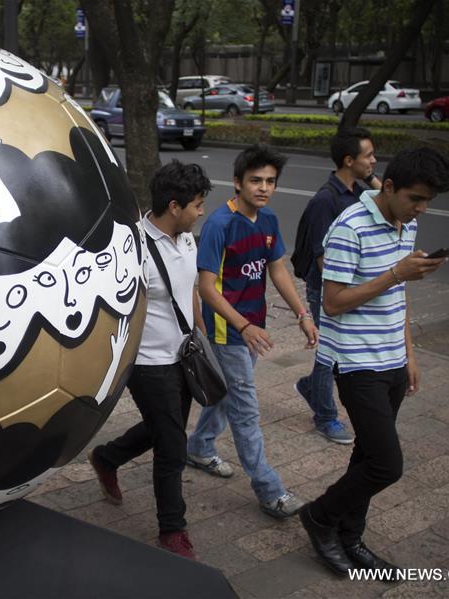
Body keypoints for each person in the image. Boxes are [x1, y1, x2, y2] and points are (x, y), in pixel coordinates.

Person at [299, 147, 449, 576]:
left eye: (428, 202)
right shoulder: (349, 227)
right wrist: (395, 273)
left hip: (391, 358)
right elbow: (332, 303)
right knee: (387, 465)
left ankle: (351, 537)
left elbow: (397, 296)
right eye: (416, 198)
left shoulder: (407, 224)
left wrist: (409, 353)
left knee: (367, 457)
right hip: (356, 362)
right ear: (388, 187)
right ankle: (319, 516)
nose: (421, 209)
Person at [87, 160, 211, 560]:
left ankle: (107, 457)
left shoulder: (187, 237)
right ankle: (172, 530)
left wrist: (199, 332)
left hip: (183, 354)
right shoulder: (132, 247)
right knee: (173, 445)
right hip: (146, 361)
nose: (201, 211)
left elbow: (188, 287)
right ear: (174, 206)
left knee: (165, 428)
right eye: (197, 204)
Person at [186, 145, 316, 520]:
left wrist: (302, 313)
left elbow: (277, 270)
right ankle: (270, 490)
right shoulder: (218, 225)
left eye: (270, 181)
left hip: (252, 328)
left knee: (229, 395)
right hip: (228, 331)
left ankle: (199, 446)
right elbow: (207, 287)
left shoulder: (268, 220)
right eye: (255, 180)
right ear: (238, 182)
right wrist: (242, 325)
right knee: (246, 409)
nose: (263, 188)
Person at [291, 128, 382, 444]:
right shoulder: (325, 201)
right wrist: (346, 292)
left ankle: (310, 387)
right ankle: (325, 417)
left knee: (338, 352)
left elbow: (390, 204)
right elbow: (323, 259)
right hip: (327, 290)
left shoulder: (358, 193)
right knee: (330, 352)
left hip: (349, 289)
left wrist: (370, 179)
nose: (374, 160)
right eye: (368, 155)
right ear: (348, 160)